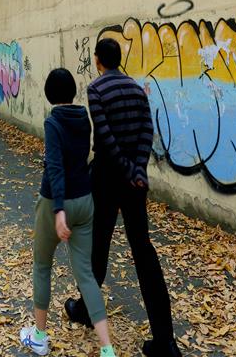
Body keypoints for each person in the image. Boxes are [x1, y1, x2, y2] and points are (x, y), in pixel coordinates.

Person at [64, 37, 182, 357]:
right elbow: (147, 131)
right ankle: (165, 341)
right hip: (134, 184)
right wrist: (138, 171)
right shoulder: (136, 88)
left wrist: (127, 169)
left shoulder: (96, 89)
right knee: (143, 252)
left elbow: (104, 137)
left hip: (107, 178)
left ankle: (86, 310)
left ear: (99, 60)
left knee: (97, 245)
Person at [20, 67, 117, 357]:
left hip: (55, 203)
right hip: (85, 201)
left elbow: (55, 168)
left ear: (50, 93)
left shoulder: (53, 122)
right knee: (85, 275)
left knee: (42, 266)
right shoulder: (83, 118)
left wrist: (59, 210)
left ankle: (39, 337)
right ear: (72, 91)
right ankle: (107, 349)